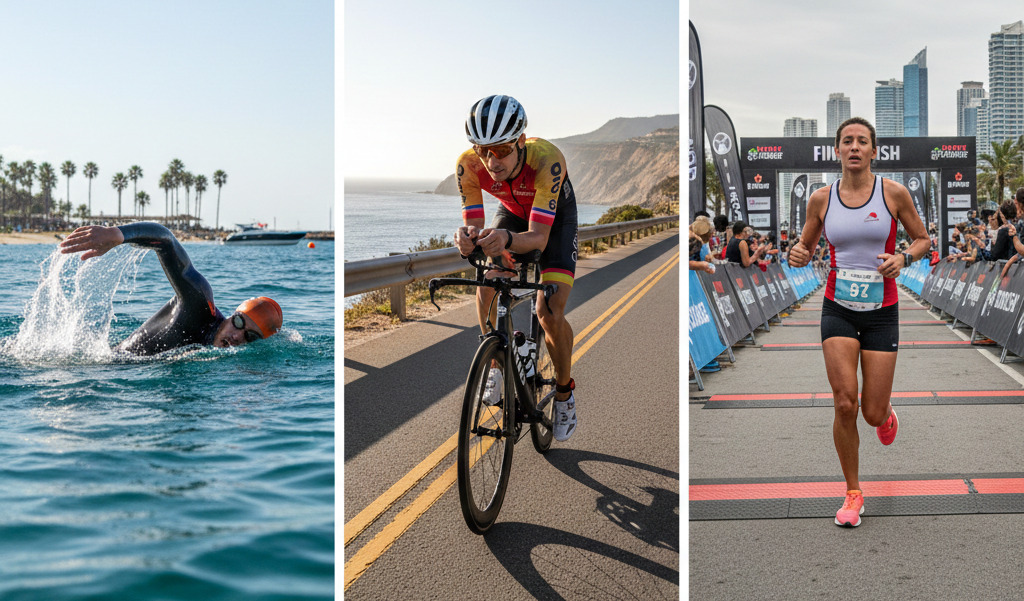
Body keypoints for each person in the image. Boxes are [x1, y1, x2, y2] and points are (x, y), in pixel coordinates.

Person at [788, 117, 929, 528]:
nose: (854, 147)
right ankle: (853, 492)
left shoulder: (893, 194)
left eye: (861, 141)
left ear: (872, 151)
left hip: (882, 311)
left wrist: (904, 257)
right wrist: (798, 254)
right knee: (845, 400)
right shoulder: (821, 199)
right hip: (838, 308)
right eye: (846, 141)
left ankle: (885, 414)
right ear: (837, 150)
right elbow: (805, 245)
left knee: (869, 411)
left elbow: (923, 239)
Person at [452, 94, 579, 442]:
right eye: (483, 150)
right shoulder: (467, 165)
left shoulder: (547, 159)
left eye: (503, 150)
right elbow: (474, 228)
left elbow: (538, 238)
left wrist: (506, 239)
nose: (492, 161)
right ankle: (495, 364)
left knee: (548, 311)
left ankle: (565, 395)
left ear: (521, 141)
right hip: (511, 213)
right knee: (488, 279)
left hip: (553, 222)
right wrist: (466, 239)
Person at [58, 222, 282, 355]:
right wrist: (117, 235)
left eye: (250, 337)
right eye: (240, 322)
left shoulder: (222, 357)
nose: (237, 336)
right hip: (107, 365)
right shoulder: (198, 304)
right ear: (233, 315)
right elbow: (165, 240)